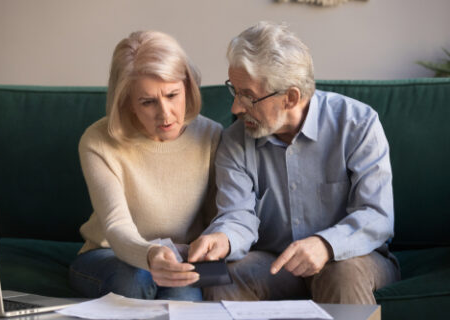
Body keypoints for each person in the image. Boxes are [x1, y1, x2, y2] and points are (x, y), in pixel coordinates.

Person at [188, 21, 400, 304]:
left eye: (248, 96)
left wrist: (326, 245)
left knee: (339, 272)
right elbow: (237, 215)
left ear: (290, 97)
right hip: (275, 264)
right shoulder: (235, 140)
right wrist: (224, 239)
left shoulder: (357, 124)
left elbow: (376, 214)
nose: (235, 108)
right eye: (234, 91)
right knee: (225, 275)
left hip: (352, 257)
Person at [68, 30, 222, 301]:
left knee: (184, 296)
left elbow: (217, 220)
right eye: (148, 102)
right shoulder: (97, 141)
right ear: (126, 102)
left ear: (188, 86)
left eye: (172, 94)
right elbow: (116, 226)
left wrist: (195, 253)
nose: (165, 114)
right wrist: (150, 255)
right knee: (134, 278)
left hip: (182, 258)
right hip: (108, 254)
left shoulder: (212, 136)